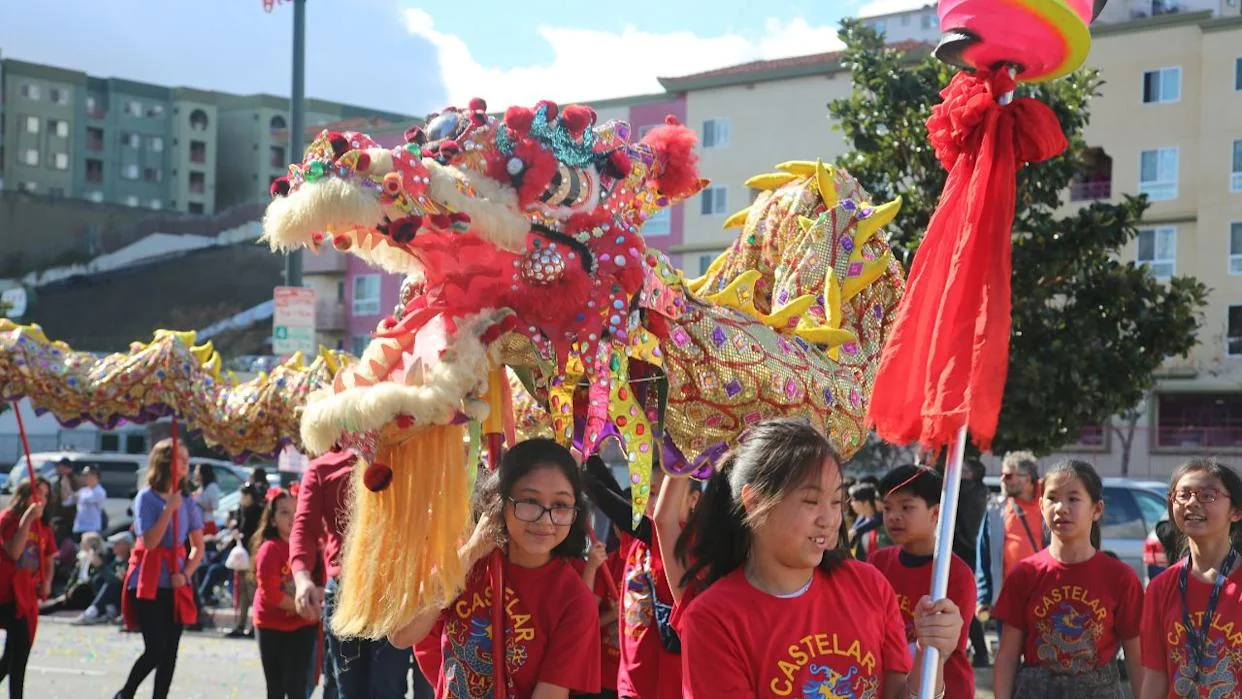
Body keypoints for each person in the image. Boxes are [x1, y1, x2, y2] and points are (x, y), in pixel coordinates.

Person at [672, 419, 962, 697]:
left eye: (836, 501)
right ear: (755, 502)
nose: (829, 519)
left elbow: (899, 693)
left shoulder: (869, 586)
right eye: (811, 501)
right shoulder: (714, 620)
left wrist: (930, 654)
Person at [391, 438, 602, 698]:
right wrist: (471, 551)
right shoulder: (470, 564)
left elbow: (550, 693)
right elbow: (400, 633)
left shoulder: (575, 599)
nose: (545, 519)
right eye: (530, 502)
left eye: (560, 505)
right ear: (501, 504)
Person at [992, 460, 1143, 699]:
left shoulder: (1120, 578)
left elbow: (1137, 657)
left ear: (1097, 509)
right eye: (1052, 498)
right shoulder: (1025, 574)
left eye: (1073, 499)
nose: (1061, 508)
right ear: (1041, 506)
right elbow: (1008, 655)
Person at [291, 449, 421, 699]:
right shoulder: (323, 468)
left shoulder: (409, 459)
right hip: (345, 592)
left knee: (388, 690)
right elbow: (305, 528)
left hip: (394, 593)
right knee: (350, 691)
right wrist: (302, 577)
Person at [583, 455, 699, 699]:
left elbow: (613, 506)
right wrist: (588, 450)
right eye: (649, 493)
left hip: (662, 687)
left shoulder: (687, 546)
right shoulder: (641, 539)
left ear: (693, 500)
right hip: (630, 682)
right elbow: (615, 495)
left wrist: (579, 474)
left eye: (659, 493)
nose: (651, 503)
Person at [868, 465, 976, 698]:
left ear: (936, 513)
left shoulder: (955, 574)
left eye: (906, 507)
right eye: (887, 508)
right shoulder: (877, 563)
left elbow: (947, 646)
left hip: (944, 686)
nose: (894, 516)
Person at [1140, 458, 1242, 699]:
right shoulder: (1160, 587)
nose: (1192, 503)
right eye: (1183, 495)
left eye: (1208, 495)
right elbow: (1155, 676)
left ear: (1236, 512)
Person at [114, 438, 205, 699]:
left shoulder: (187, 501)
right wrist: (167, 511)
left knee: (170, 654)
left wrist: (186, 574)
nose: (187, 465)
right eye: (181, 459)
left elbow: (198, 546)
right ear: (165, 461)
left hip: (175, 581)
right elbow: (150, 541)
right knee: (156, 648)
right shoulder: (147, 498)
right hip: (148, 581)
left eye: (188, 460)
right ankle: (125, 693)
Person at [251, 489, 317, 699]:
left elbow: (322, 583)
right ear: (272, 519)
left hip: (303, 625)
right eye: (284, 512)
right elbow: (270, 593)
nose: (292, 518)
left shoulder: (312, 547)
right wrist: (302, 605)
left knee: (297, 686)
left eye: (297, 511)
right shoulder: (269, 549)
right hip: (271, 625)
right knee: (276, 688)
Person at [0, 479, 56, 699]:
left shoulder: (44, 526)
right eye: (37, 492)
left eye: (45, 494)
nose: (41, 498)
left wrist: (48, 581)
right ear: (24, 496)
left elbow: (49, 558)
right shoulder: (8, 519)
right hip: (6, 593)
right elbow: (14, 552)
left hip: (26, 595)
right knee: (17, 651)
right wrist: (27, 519)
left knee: (16, 653)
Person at [977, 450, 1045, 620]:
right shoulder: (996, 510)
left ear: (1028, 479)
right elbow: (983, 556)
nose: (1002, 480)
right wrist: (983, 597)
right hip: (1007, 600)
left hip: (1043, 598)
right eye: (1002, 475)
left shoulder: (1048, 507)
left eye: (1008, 476)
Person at [955, 458, 992, 666]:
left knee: (965, 604)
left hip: (964, 553)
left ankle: (979, 652)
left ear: (970, 475)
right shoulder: (982, 491)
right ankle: (980, 652)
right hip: (973, 554)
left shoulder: (966, 491)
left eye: (963, 470)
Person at [225, 483, 264, 638]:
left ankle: (253, 625)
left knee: (252, 592)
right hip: (242, 558)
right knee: (242, 593)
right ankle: (241, 624)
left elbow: (252, 534)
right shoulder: (241, 511)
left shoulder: (256, 512)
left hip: (252, 557)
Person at [847, 482, 885, 559]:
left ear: (865, 503)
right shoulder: (861, 520)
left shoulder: (883, 527)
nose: (851, 503)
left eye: (853, 500)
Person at [73, 465, 108, 540]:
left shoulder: (100, 491)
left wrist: (76, 496)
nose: (84, 477)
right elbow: (68, 500)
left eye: (86, 475)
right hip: (79, 527)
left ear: (94, 475)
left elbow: (84, 499)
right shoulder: (83, 490)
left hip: (92, 528)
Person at [193, 463, 222, 536]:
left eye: (197, 471)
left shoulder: (212, 487)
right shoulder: (201, 487)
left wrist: (200, 507)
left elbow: (215, 506)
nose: (195, 473)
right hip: (200, 521)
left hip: (207, 523)